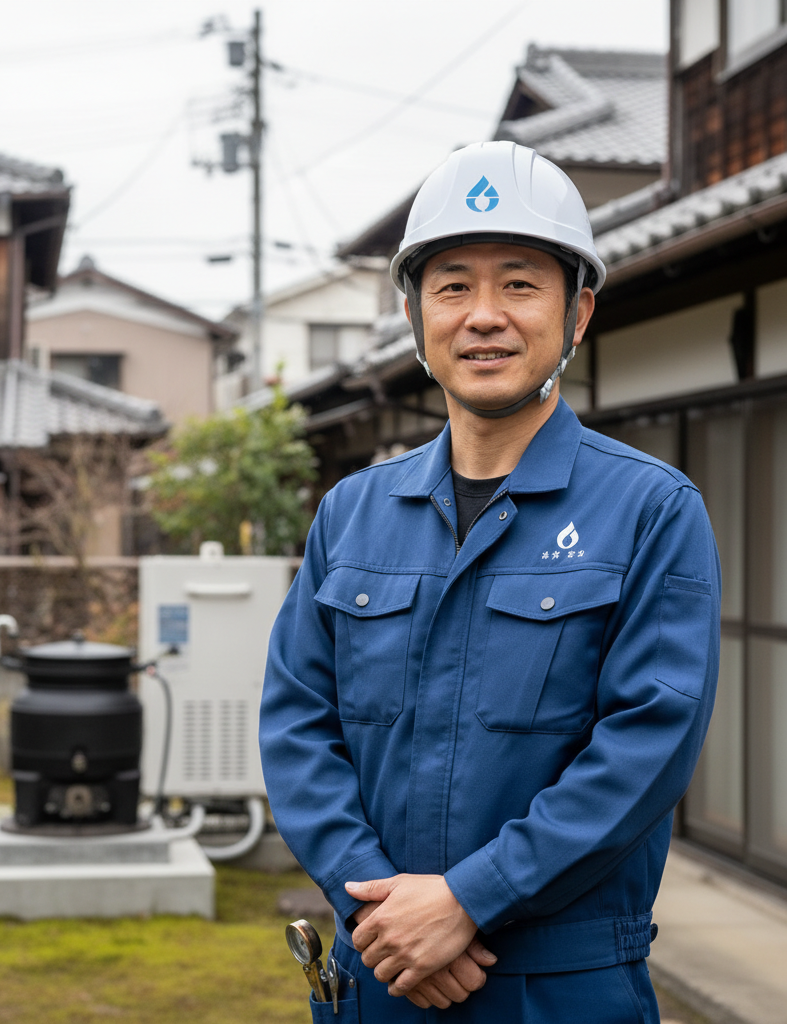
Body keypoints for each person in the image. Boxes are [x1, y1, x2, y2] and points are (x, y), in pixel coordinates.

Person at [259, 141, 720, 1023]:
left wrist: (471, 899)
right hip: (378, 969)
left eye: (519, 283)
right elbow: (296, 724)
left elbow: (647, 745)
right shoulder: (352, 514)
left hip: (561, 982)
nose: (483, 316)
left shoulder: (651, 511)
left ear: (577, 312)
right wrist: (376, 912)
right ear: (414, 313)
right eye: (453, 285)